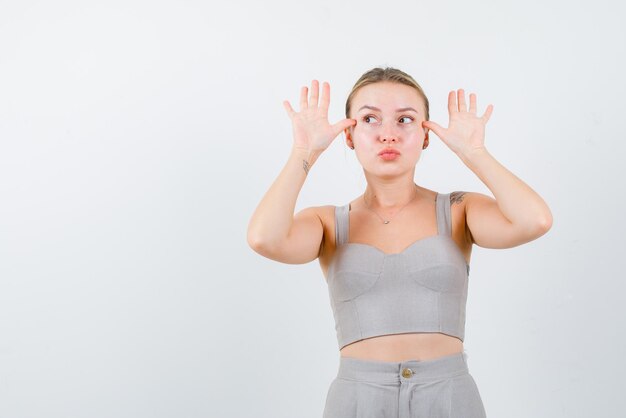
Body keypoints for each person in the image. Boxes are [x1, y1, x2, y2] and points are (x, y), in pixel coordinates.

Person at [247, 67, 552, 418]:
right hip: (358, 400)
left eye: (405, 119)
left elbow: (535, 220)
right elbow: (263, 238)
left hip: (448, 397)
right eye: (370, 119)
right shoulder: (327, 222)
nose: (388, 134)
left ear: (426, 135)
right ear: (348, 135)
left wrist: (474, 153)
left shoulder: (457, 210)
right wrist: (304, 151)